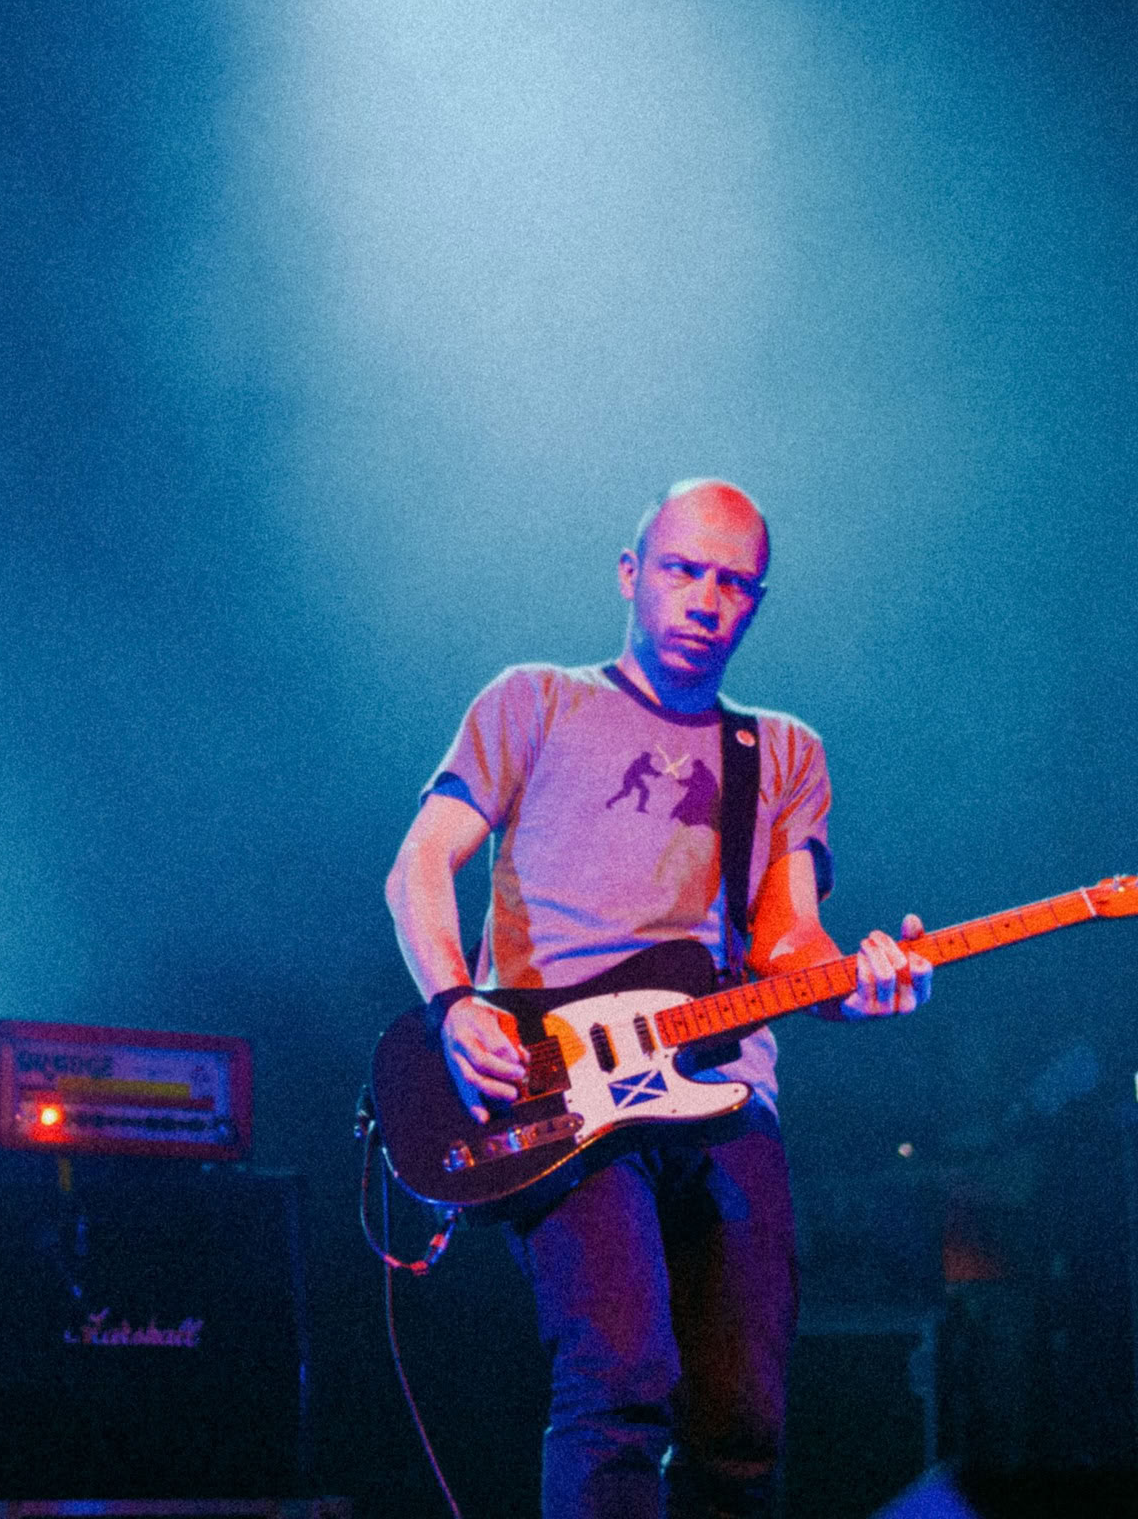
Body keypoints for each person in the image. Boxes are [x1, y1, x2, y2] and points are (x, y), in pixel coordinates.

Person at [383, 478, 933, 1519]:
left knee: (743, 1420)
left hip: (725, 1091)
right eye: (684, 571)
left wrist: (856, 986)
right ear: (632, 574)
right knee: (621, 1372)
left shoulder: (782, 751)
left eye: (734, 584)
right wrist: (454, 1002)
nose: (706, 600)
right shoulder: (533, 700)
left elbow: (788, 940)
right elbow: (419, 865)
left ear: (756, 603)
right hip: (564, 1092)